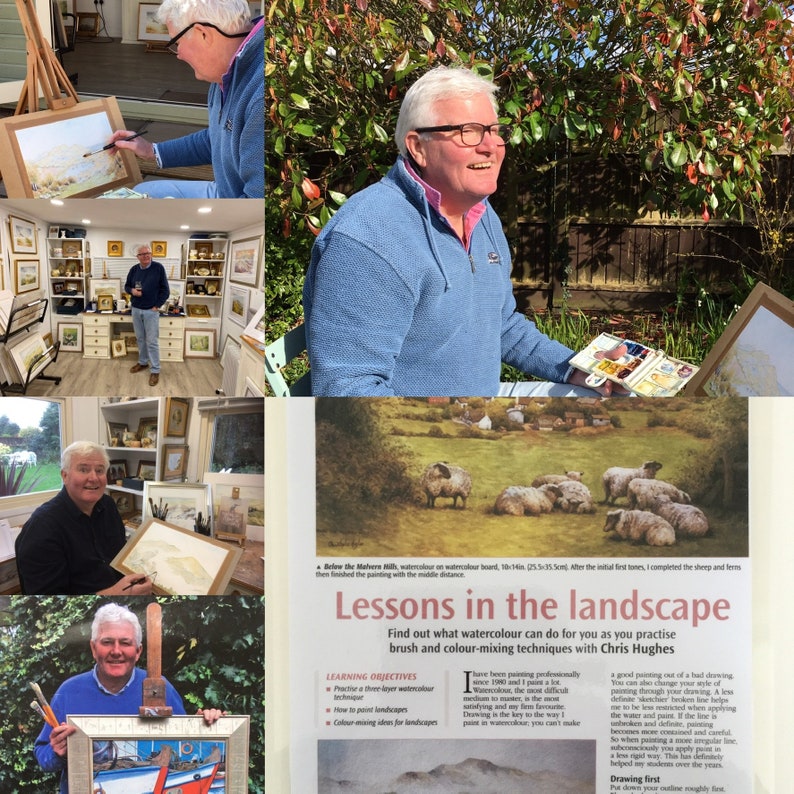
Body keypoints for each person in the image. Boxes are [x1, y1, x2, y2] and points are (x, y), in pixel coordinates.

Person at [303, 66, 628, 397]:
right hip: (421, 436)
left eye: (493, 130)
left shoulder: (481, 214)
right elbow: (345, 390)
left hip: (478, 415)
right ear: (418, 147)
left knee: (610, 403)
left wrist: (578, 368)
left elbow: (501, 326)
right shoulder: (368, 240)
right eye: (468, 132)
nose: (491, 146)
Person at [33, 603, 225, 794]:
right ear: (93, 648)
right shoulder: (69, 691)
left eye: (125, 643)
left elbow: (186, 744)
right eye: (107, 642)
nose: (116, 651)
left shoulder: (161, 689)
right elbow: (43, 758)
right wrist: (57, 752)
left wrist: (208, 727)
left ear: (138, 651)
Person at [109, 0, 263, 198]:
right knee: (139, 194)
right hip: (227, 192)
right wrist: (151, 151)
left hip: (238, 207)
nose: (178, 54)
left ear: (203, 34)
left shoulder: (259, 95)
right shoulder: (225, 73)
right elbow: (217, 140)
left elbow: (253, 207)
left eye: (177, 42)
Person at [15, 441, 153, 595]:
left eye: (100, 470)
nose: (93, 478)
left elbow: (119, 556)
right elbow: (47, 606)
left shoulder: (107, 505)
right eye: (83, 469)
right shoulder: (42, 528)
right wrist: (116, 593)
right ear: (65, 476)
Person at [125, 244, 170, 387]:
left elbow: (165, 290)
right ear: (137, 257)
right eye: (142, 254)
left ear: (151, 254)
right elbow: (126, 286)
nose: (146, 256)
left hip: (151, 311)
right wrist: (132, 291)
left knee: (152, 341)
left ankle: (155, 370)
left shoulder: (158, 268)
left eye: (148, 253)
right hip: (136, 309)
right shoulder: (134, 269)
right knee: (140, 339)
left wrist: (157, 305)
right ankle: (143, 362)